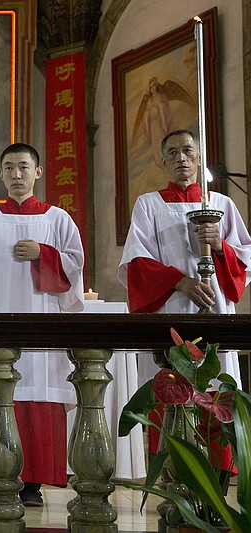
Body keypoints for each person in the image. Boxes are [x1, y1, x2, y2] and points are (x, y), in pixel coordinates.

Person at [0, 143, 84, 507]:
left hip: (41, 325)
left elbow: (75, 266)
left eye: (23, 167)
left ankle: (33, 483)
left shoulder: (57, 219)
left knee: (37, 393)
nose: (16, 174)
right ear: (1, 175)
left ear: (38, 173)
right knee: (1, 394)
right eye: (9, 168)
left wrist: (45, 254)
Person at [118, 129, 251, 456]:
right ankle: (171, 470)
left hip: (213, 307)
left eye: (188, 151)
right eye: (173, 153)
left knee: (216, 386)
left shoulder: (221, 204)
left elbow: (244, 261)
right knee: (169, 386)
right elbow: (136, 262)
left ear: (199, 157)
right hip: (170, 310)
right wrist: (181, 282)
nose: (181, 158)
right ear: (163, 161)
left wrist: (219, 245)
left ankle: (217, 471)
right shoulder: (148, 204)